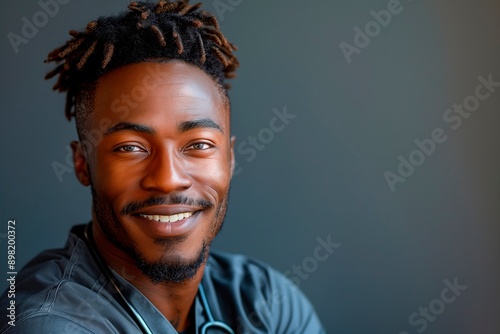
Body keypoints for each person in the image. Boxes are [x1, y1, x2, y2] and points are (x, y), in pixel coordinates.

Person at [0, 1, 325, 333]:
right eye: (131, 148)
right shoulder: (46, 324)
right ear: (83, 163)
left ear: (229, 157)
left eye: (198, 145)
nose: (168, 179)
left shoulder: (269, 303)